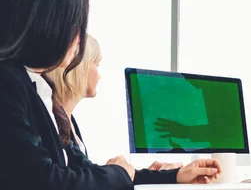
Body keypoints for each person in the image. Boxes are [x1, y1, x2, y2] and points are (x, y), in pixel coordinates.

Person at [0, 0, 221, 190]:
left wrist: (175, 176)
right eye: (75, 25)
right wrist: (118, 173)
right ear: (45, 22)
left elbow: (80, 172)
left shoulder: (37, 88)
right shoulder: (8, 82)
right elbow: (43, 181)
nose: (78, 39)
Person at [46, 34, 181, 170]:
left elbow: (84, 175)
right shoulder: (53, 120)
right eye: (96, 64)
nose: (99, 75)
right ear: (79, 66)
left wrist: (146, 175)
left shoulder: (69, 120)